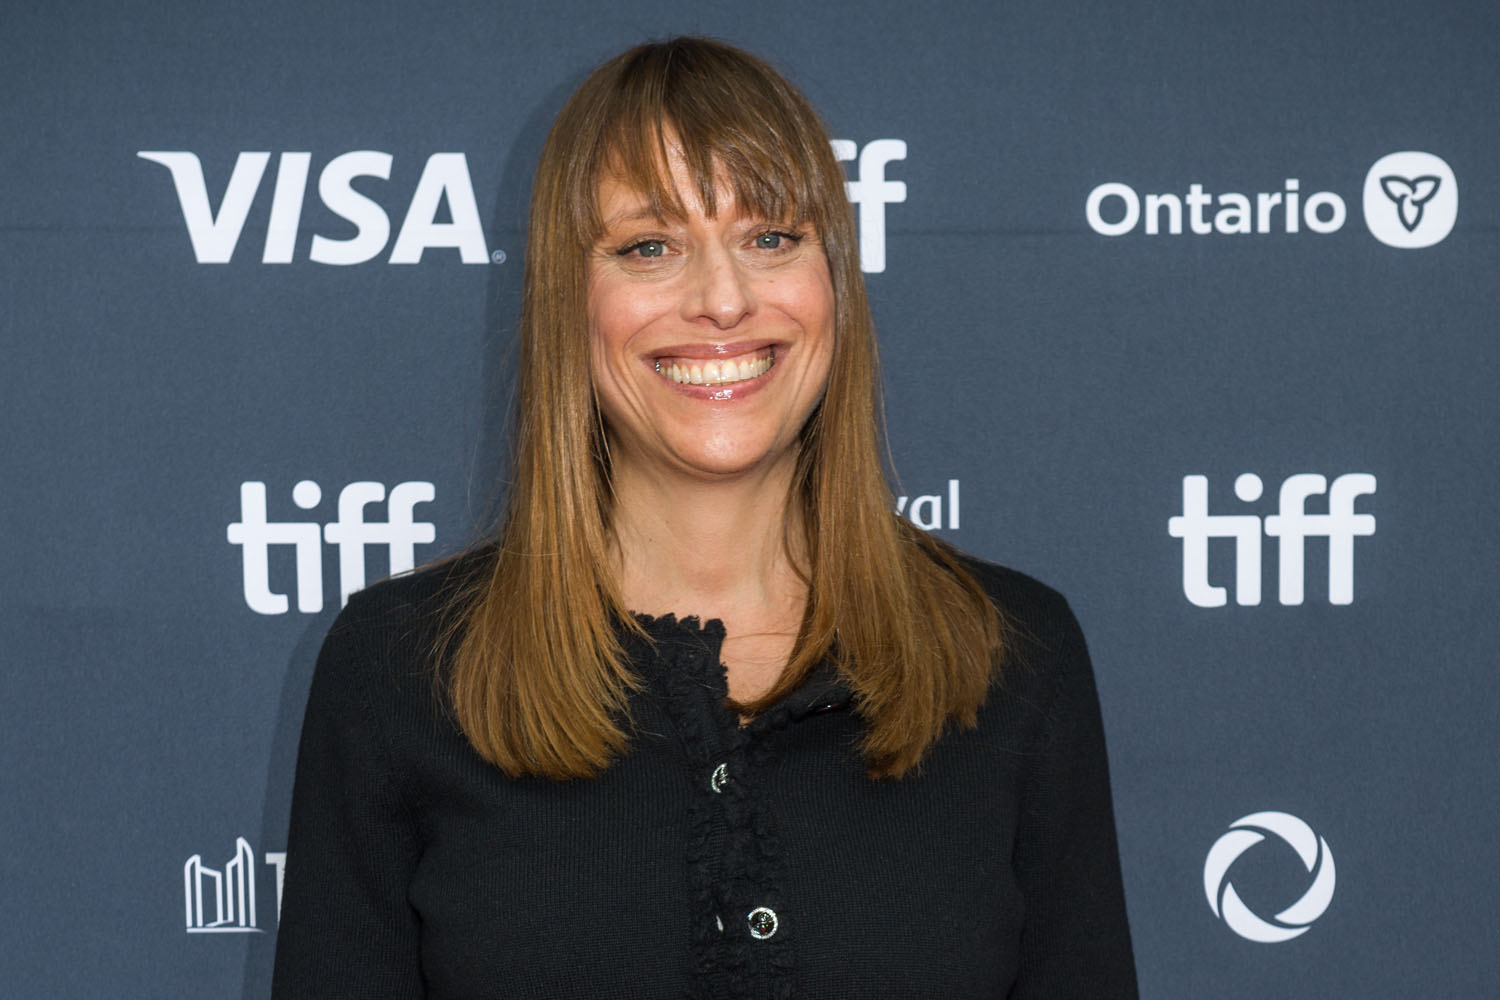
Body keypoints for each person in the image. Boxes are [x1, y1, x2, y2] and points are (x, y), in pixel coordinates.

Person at [271, 36, 1138, 999]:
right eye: (650, 247)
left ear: (834, 282)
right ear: (570, 299)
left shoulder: (1009, 654)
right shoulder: (400, 669)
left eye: (771, 238)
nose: (723, 300)